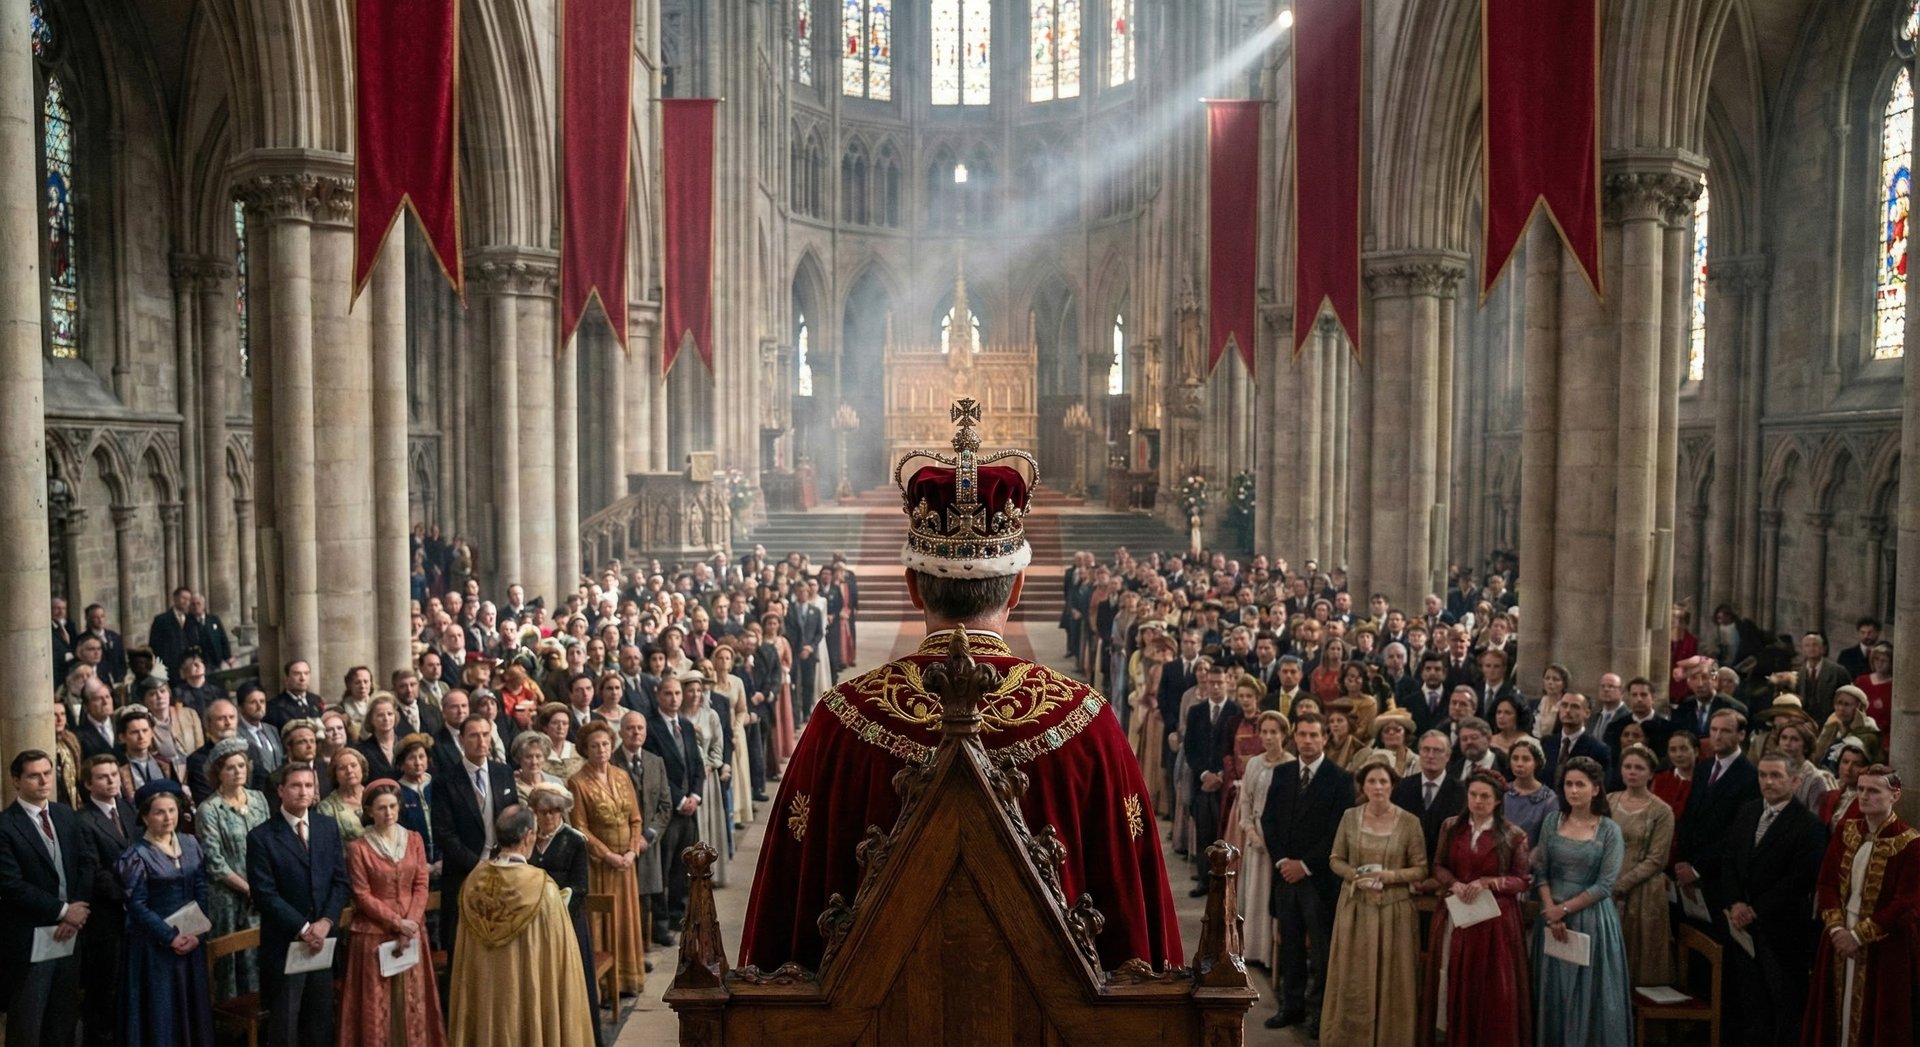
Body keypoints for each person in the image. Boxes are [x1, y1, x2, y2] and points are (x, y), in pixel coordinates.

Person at [445, 806, 595, 1046]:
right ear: (528, 836)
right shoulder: (542, 888)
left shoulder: (472, 883)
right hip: (526, 993)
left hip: (484, 993)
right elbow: (561, 961)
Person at [1803, 764, 1920, 1046]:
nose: (1865, 796)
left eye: (1874, 791)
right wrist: (1837, 930)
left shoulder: (1910, 843)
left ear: (1895, 795)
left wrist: (1858, 936)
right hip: (1839, 936)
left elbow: (1907, 902)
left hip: (1885, 944)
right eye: (1862, 789)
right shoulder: (1846, 830)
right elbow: (1827, 883)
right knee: (1834, 1015)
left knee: (1878, 1019)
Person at [1719, 752, 1826, 1045]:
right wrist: (1735, 902)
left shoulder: (1809, 825)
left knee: (1784, 1004)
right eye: (1763, 775)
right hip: (1742, 925)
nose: (1767, 782)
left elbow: (1800, 879)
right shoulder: (1748, 811)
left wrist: (1755, 909)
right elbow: (1729, 860)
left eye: (1776, 775)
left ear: (1795, 781)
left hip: (1782, 930)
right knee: (1749, 1003)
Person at [1318, 761, 1426, 1047]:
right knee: (1354, 978)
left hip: (1394, 912)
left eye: (1383, 782)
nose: (1378, 787)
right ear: (1363, 787)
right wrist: (1356, 875)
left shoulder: (1409, 822)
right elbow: (1335, 859)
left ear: (1392, 786)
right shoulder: (1349, 816)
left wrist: (1390, 876)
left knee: (1394, 979)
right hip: (1356, 909)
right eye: (1372, 782)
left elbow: (1421, 869)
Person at [1421, 768, 1531, 1047]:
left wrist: (1489, 882)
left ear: (1497, 801)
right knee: (1453, 977)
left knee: (1491, 988)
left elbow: (1521, 880)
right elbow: (1438, 866)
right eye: (1473, 795)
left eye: (1485, 796)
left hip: (1494, 921)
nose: (1478, 801)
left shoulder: (1513, 835)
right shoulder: (1451, 827)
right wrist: (1454, 883)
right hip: (1457, 912)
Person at [1260, 713, 1353, 1034]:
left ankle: (1319, 1012)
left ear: (1325, 738)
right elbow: (1268, 820)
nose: (1308, 741)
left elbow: (1337, 832)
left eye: (1314, 735)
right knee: (1290, 944)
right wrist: (1283, 861)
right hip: (1285, 875)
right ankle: (1292, 1006)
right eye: (1302, 734)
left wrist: (1305, 865)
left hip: (1319, 878)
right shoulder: (1283, 772)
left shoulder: (1340, 778)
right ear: (1294, 737)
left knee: (1321, 949)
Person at [1531, 756, 1633, 1046]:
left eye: (1580, 785)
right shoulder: (1552, 821)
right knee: (1553, 991)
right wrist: (1551, 910)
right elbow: (1541, 870)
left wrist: (1563, 910)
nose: (1573, 791)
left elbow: (1605, 885)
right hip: (1551, 917)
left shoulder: (1609, 830)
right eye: (1568, 784)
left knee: (1589, 996)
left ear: (1596, 789)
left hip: (1591, 919)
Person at [339, 780, 446, 1047]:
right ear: (369, 811)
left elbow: (421, 884)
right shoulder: (359, 848)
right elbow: (361, 895)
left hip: (412, 929)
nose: (388, 813)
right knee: (377, 1005)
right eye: (381, 808)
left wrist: (411, 922)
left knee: (413, 1000)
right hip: (374, 933)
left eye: (392, 806)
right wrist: (397, 922)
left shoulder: (414, 839)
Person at [0, 749, 95, 1047]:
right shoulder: (5, 825)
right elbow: (10, 884)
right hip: (30, 937)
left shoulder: (65, 814)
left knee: (63, 1019)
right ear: (16, 780)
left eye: (47, 773)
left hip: (71, 933)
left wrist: (77, 911)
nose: (44, 781)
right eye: (34, 775)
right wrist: (63, 911)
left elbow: (87, 862)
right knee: (28, 1023)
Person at [117, 779, 214, 1046]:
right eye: (159, 812)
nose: (168, 817)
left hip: (191, 941)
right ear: (145, 817)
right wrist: (170, 937)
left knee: (192, 1008)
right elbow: (137, 905)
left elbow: (201, 889)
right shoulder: (136, 856)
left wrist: (197, 934)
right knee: (161, 1011)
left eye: (171, 810)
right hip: (154, 946)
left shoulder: (191, 843)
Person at [567, 719, 647, 995]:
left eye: (605, 744)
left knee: (627, 918)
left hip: (627, 863)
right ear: (585, 749)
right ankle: (604, 985)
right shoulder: (577, 782)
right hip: (601, 864)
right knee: (604, 921)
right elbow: (580, 828)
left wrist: (632, 851)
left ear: (612, 746)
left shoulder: (622, 775)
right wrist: (608, 855)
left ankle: (628, 979)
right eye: (594, 746)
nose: (601, 749)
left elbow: (635, 818)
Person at [428, 715, 517, 962]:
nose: (481, 741)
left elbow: (513, 819)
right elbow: (444, 833)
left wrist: (504, 859)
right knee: (461, 946)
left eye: (485, 734)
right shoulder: (445, 781)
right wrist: (477, 865)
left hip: (503, 869)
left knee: (501, 942)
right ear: (461, 739)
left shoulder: (503, 772)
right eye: (474, 735)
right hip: (462, 873)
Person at [526, 784, 603, 1047]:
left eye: (555, 811)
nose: (549, 816)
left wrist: (555, 907)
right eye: (543, 811)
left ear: (562, 811)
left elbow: (581, 886)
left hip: (567, 922)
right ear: (535, 812)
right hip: (531, 924)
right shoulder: (527, 838)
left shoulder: (574, 840)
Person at [195, 736, 269, 1000]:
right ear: (218, 773)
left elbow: (270, 843)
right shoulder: (209, 809)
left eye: (241, 765)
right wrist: (248, 888)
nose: (238, 771)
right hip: (227, 896)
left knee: (260, 952)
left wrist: (263, 886)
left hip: (261, 892)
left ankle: (261, 1011)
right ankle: (231, 1015)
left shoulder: (259, 799)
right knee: (231, 958)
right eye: (230, 767)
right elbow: (214, 861)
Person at [1673, 708, 1760, 921]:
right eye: (1713, 729)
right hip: (1689, 869)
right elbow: (1689, 816)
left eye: (1725, 731)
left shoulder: (1750, 776)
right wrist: (1682, 860)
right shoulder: (1704, 768)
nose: (1717, 736)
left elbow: (1738, 832)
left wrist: (1697, 869)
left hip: (1720, 875)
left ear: (1741, 735)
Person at [74, 755, 136, 1047]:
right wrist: (130, 895)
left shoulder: (127, 808)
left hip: (134, 913)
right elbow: (95, 872)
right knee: (104, 988)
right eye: (103, 777)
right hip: (107, 916)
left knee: (129, 985)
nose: (112, 780)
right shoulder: (83, 820)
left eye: (114, 774)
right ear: (88, 784)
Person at [1605, 743, 1675, 987]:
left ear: (1650, 773)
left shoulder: (1662, 811)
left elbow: (1657, 859)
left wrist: (1621, 884)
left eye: (1639, 768)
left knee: (1638, 958)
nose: (1632, 772)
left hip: (1643, 892)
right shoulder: (1609, 800)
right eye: (1627, 766)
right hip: (1607, 886)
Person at [642, 673, 703, 946]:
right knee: (663, 868)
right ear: (658, 696)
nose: (674, 699)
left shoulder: (686, 726)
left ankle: (680, 913)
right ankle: (660, 921)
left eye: (677, 693)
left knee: (684, 864)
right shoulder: (651, 728)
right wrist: (679, 800)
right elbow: (657, 771)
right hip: (668, 808)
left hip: (690, 806)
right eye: (668, 694)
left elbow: (696, 764)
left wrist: (696, 796)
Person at [1234, 710, 1291, 969]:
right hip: (1255, 835)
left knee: (1272, 894)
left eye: (1273, 732)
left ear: (1284, 735)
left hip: (1279, 838)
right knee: (1253, 892)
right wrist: (1250, 830)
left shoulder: (1290, 764)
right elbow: (1245, 800)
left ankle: (1270, 954)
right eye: (1264, 732)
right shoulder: (1255, 763)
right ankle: (1252, 949)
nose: (1268, 737)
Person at [611, 711, 673, 920]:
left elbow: (666, 805)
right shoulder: (610, 762)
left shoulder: (656, 762)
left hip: (649, 842)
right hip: (621, 842)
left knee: (652, 892)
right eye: (630, 728)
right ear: (620, 732)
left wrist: (648, 836)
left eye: (640, 728)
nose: (635, 732)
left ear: (646, 732)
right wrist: (631, 839)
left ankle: (656, 927)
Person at [1393, 730, 1466, 863]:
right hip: (1406, 863)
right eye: (1426, 750)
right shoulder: (1402, 787)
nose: (1431, 755)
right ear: (1419, 753)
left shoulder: (1462, 791)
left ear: (1448, 756)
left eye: (1437, 751)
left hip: (1446, 864)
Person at [1502, 737, 1557, 847]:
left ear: (1537, 762)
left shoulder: (1548, 799)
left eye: (1526, 759)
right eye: (1515, 758)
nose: (1519, 764)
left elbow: (1548, 839)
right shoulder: (1502, 791)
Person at [316, 747, 369, 844]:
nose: (349, 771)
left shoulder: (376, 796)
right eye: (342, 768)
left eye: (353, 765)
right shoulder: (326, 808)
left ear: (362, 768)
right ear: (335, 775)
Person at [356, 693, 405, 782]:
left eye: (390, 714)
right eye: (380, 715)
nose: (386, 718)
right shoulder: (363, 750)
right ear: (371, 719)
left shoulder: (406, 745)